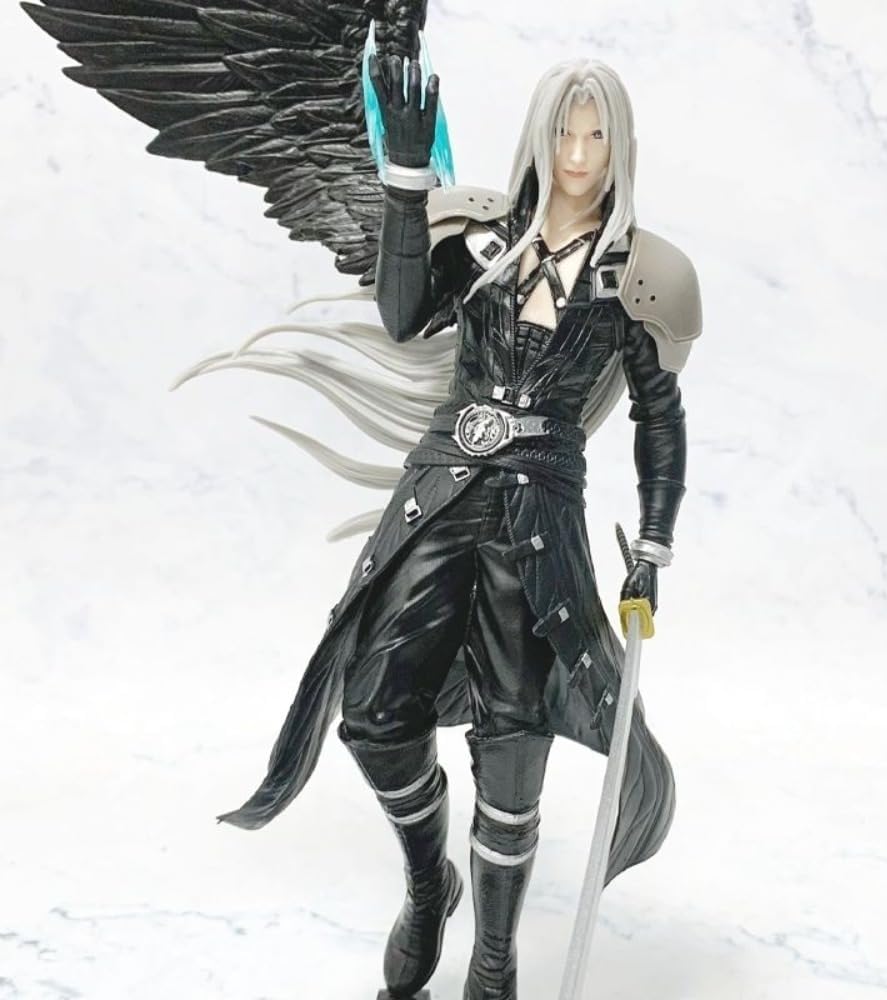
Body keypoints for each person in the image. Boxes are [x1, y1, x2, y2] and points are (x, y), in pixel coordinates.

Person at [219, 56, 703, 1000]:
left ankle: (494, 958)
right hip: (439, 495)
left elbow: (661, 419)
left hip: (538, 521)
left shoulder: (642, 275)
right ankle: (425, 882)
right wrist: (406, 188)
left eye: (596, 136)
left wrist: (652, 546)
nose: (577, 155)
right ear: (538, 136)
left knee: (513, 739)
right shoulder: (481, 236)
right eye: (564, 133)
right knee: (373, 712)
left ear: (621, 147)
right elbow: (403, 317)